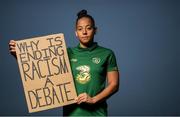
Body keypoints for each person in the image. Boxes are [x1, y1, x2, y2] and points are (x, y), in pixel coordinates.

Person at [9, 9, 119, 116]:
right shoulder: (65, 53)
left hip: (97, 114)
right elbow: (41, 71)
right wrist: (21, 56)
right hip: (71, 114)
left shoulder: (107, 54)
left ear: (95, 30)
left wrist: (94, 99)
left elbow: (114, 84)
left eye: (88, 28)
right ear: (76, 33)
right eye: (80, 29)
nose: (84, 32)